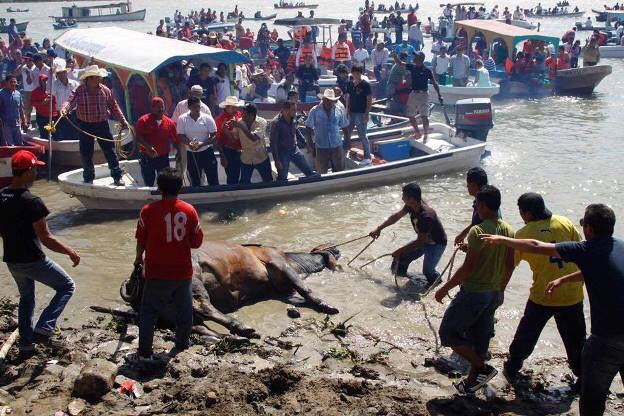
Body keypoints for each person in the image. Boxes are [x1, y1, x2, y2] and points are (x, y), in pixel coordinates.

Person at [481, 203, 623, 416]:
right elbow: (599, 271)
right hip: (578, 304)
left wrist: (502, 239)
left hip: (606, 338)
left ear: (590, 230)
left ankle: (514, 365)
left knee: (592, 398)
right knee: (575, 342)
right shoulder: (619, 246)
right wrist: (565, 279)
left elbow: (537, 245)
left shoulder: (588, 249)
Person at [497, 193, 586, 386]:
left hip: (543, 295)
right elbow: (581, 253)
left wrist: (501, 290)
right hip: (572, 292)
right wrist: (582, 281)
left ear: (527, 213)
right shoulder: (564, 222)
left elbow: (509, 266)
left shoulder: (523, 234)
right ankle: (582, 376)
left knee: (527, 333)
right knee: (576, 340)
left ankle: (513, 365)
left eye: (521, 212)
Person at [435, 185, 514, 394]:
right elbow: (508, 265)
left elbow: (468, 268)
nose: (476, 208)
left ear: (485, 206)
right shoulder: (508, 230)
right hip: (493, 293)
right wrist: (502, 290)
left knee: (448, 333)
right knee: (480, 339)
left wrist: (444, 288)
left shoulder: (477, 230)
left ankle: (481, 367)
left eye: (477, 204)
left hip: (474, 293)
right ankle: (471, 382)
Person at [0, 150, 80, 355]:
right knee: (67, 286)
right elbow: (46, 238)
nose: (37, 173)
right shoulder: (33, 201)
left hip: (12, 260)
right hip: (32, 260)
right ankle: (44, 327)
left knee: (26, 298)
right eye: (35, 169)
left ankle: (26, 343)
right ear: (27, 172)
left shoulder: (1, 196)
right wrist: (70, 251)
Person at [133, 168, 203, 361]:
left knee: (148, 312)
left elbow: (141, 240)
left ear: (159, 188)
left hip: (156, 271)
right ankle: (181, 345)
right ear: (180, 187)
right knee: (184, 310)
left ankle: (145, 353)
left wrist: (138, 258)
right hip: (182, 270)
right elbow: (197, 242)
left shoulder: (147, 211)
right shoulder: (189, 210)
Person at [61, 65, 129, 186]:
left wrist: (123, 121)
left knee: (110, 151)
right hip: (85, 125)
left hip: (102, 124)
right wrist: (64, 109)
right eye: (98, 77)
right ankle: (88, 178)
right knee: (86, 152)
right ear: (90, 78)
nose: (100, 79)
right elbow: (70, 101)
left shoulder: (105, 90)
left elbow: (114, 106)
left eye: (100, 77)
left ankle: (117, 176)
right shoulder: (79, 90)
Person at [369, 183, 447, 287]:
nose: (402, 199)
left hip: (436, 244)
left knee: (428, 272)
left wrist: (399, 250)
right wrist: (379, 229)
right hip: (423, 240)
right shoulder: (411, 206)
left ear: (412, 199)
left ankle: (438, 285)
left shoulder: (426, 216)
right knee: (400, 259)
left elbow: (419, 242)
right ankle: (400, 282)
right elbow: (396, 217)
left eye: (404, 196)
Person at [394, 51, 442, 141]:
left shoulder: (427, 70)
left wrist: (439, 95)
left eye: (415, 56)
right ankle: (417, 132)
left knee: (424, 115)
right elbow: (400, 63)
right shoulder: (412, 67)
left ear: (420, 59)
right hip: (413, 93)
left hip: (424, 94)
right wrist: (394, 56)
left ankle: (426, 134)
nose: (414, 58)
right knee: (410, 115)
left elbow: (434, 83)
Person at [135, 97, 180, 187]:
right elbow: (138, 137)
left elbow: (176, 139)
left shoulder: (170, 122)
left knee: (165, 182)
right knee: (149, 183)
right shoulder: (143, 120)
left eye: (162, 107)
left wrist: (179, 152)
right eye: (157, 107)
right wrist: (148, 147)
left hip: (163, 158)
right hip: (147, 157)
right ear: (152, 108)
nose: (160, 109)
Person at [177, 96, 219, 187]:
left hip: (207, 152)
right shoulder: (182, 118)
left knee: (213, 179)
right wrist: (190, 143)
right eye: (194, 107)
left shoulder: (207, 118)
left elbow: (214, 135)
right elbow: (180, 136)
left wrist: (202, 144)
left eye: (198, 106)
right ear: (189, 107)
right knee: (194, 181)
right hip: (191, 153)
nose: (197, 109)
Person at [305, 89, 349, 174]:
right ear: (323, 99)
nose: (330, 102)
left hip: (337, 145)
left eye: (332, 101)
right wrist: (310, 144)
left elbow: (344, 126)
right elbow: (308, 128)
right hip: (321, 146)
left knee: (340, 172)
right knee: (321, 172)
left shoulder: (339, 109)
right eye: (328, 100)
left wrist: (347, 141)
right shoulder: (315, 110)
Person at [269, 101, 316, 181]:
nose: (296, 112)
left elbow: (297, 132)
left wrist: (305, 144)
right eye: (293, 110)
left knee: (309, 172)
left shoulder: (293, 118)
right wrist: (276, 160)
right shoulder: (276, 123)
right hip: (282, 152)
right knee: (283, 177)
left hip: (294, 149)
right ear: (286, 110)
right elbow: (273, 143)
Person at [235, 103, 272, 184]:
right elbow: (234, 137)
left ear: (251, 115)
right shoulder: (239, 122)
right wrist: (226, 130)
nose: (242, 115)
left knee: (268, 181)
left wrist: (241, 127)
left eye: (244, 114)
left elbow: (254, 138)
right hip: (246, 159)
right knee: (244, 184)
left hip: (261, 158)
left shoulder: (262, 122)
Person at [345, 65, 372, 162]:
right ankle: (345, 150)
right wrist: (347, 110)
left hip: (361, 113)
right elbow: (348, 97)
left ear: (361, 73)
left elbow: (369, 99)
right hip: (351, 112)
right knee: (347, 133)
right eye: (354, 73)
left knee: (362, 135)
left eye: (358, 73)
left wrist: (367, 113)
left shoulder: (365, 85)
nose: (356, 75)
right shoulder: (349, 84)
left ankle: (367, 156)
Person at [215, 96, 244, 184]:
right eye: (233, 107)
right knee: (232, 177)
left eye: (236, 107)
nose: (236, 109)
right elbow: (218, 140)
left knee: (239, 175)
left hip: (242, 150)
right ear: (227, 107)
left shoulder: (239, 114)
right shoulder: (219, 120)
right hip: (228, 152)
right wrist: (222, 156)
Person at [51, 62, 79, 140]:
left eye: (63, 72)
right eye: (59, 73)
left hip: (74, 112)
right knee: (65, 133)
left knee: (76, 133)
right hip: (60, 113)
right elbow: (51, 95)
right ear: (57, 74)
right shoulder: (54, 85)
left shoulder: (75, 83)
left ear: (66, 73)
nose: (62, 75)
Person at [0, 75, 27, 146]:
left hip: (17, 124)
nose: (13, 84)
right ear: (6, 83)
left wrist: (24, 121)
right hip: (5, 125)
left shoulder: (18, 94)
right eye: (11, 82)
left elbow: (21, 108)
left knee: (20, 144)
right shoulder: (1, 94)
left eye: (15, 82)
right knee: (9, 145)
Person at [30, 73, 58, 140]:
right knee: (44, 134)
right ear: (40, 81)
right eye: (43, 80)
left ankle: (55, 148)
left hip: (52, 116)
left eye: (46, 80)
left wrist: (51, 99)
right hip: (42, 116)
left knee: (55, 133)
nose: (45, 82)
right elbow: (32, 103)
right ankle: (46, 149)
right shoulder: (35, 91)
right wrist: (42, 103)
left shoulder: (52, 90)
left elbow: (56, 102)